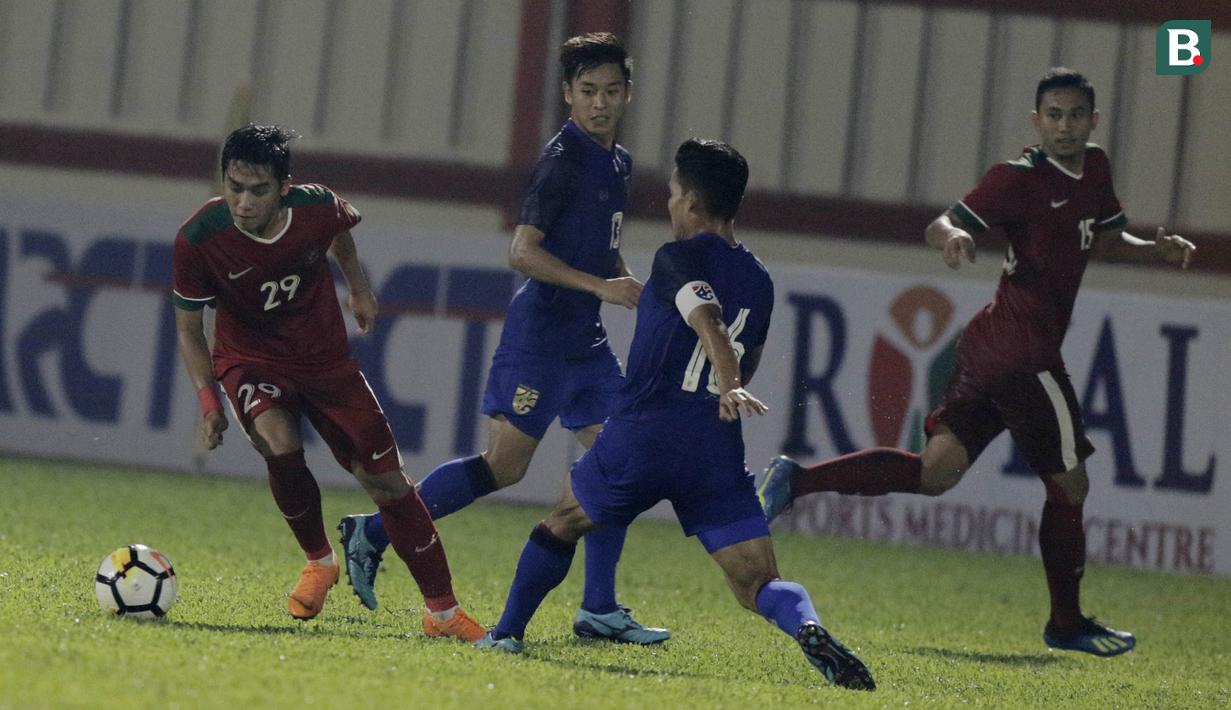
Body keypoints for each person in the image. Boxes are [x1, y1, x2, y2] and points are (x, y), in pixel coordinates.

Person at [757, 68, 1196, 658]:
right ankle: (1066, 623)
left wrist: (1156, 249)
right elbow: (943, 222)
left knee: (935, 472)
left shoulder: (1094, 169)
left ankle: (798, 479)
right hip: (1022, 355)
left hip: (990, 348)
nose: (1064, 126)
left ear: (1093, 121)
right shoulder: (1017, 179)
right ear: (1035, 121)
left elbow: (1108, 237)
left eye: (1075, 116)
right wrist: (953, 240)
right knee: (1070, 484)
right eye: (1053, 116)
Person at [475, 139, 876, 691]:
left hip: (644, 432)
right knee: (758, 580)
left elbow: (709, 324)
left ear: (691, 202)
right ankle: (807, 625)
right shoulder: (760, 280)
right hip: (715, 444)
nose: (668, 205)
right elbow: (745, 353)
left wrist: (727, 380)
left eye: (671, 194)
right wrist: (728, 392)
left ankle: (505, 632)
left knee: (562, 523)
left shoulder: (676, 257)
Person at [336, 33, 668, 644]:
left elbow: (602, 249)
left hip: (585, 342)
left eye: (611, 91)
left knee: (621, 459)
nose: (599, 103)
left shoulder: (617, 164)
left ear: (628, 94)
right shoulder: (561, 162)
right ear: (567, 94)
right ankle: (375, 533)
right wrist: (601, 286)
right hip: (541, 339)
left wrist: (630, 284)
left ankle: (598, 607)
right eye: (587, 91)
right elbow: (522, 251)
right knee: (505, 469)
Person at [172, 124, 483, 640]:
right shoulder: (199, 238)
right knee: (278, 441)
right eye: (234, 187)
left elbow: (340, 230)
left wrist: (358, 288)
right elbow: (188, 330)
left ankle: (443, 614)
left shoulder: (317, 208)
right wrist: (209, 401)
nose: (243, 202)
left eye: (258, 190)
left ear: (285, 188)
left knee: (386, 480)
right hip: (250, 359)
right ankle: (320, 561)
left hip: (325, 361)